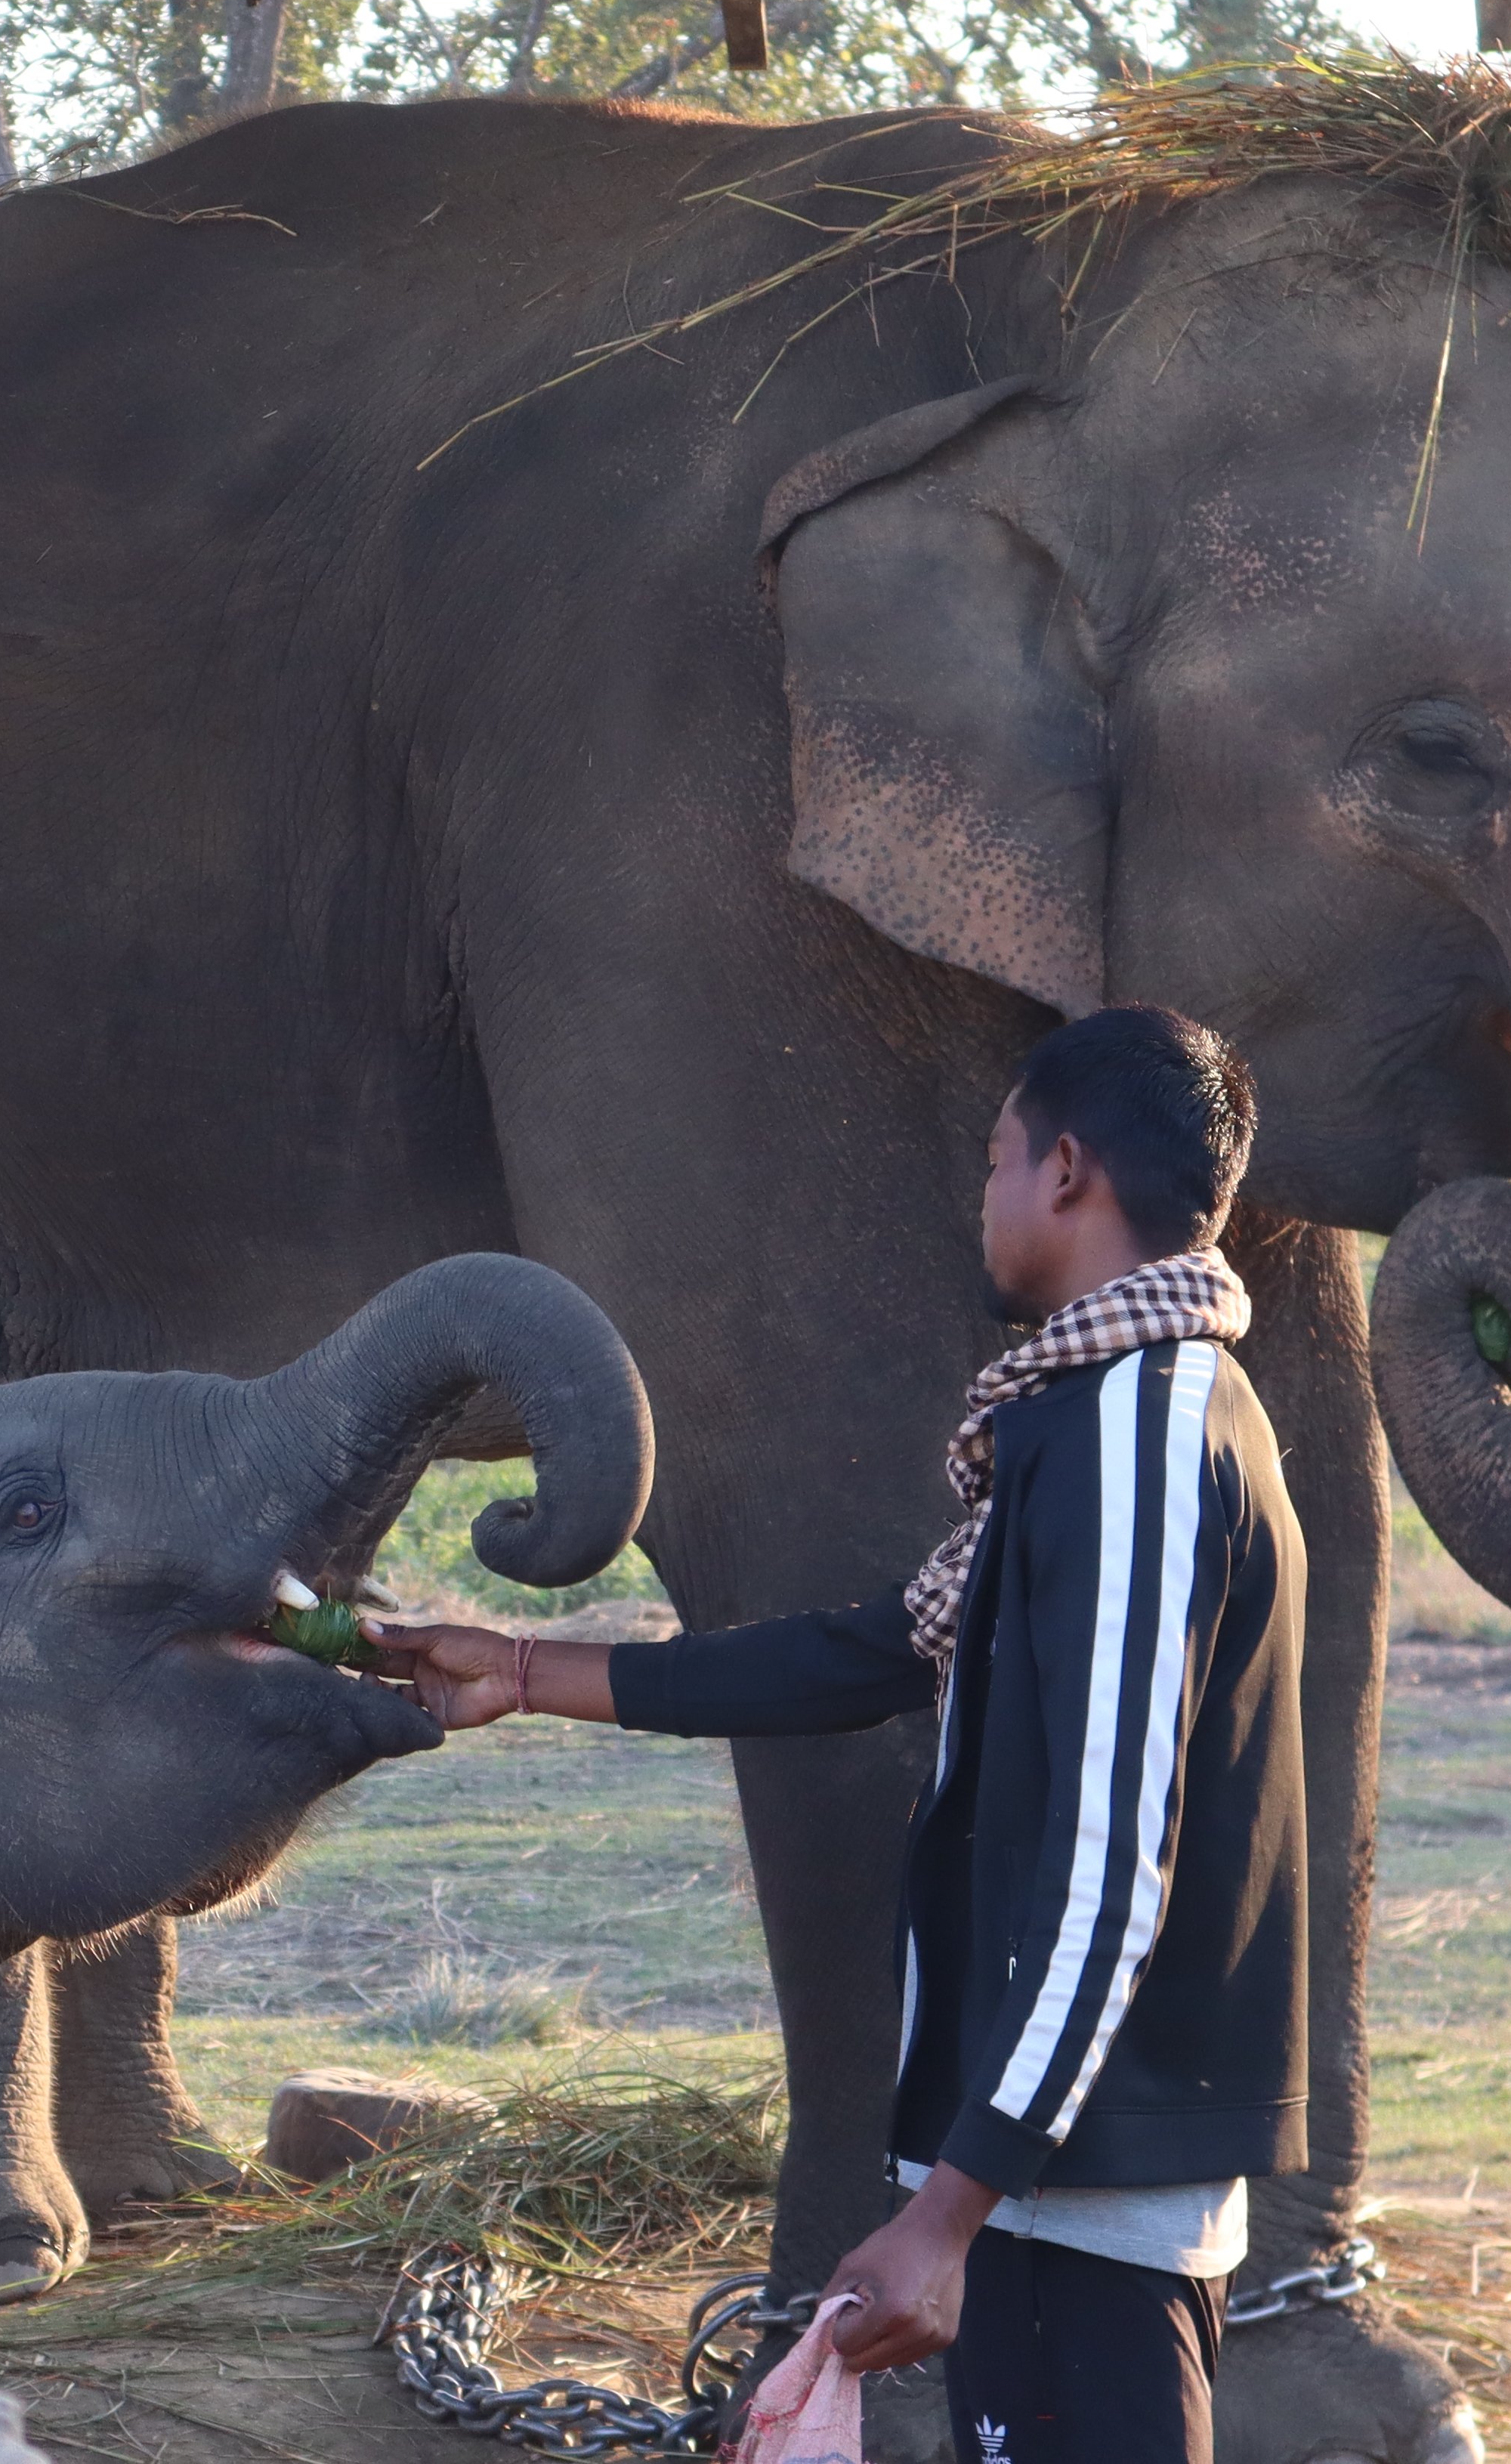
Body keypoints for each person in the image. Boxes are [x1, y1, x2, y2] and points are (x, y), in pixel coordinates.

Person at [366, 1005, 1306, 2464]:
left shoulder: (1138, 1436)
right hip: (1051, 2171)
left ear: (1064, 1172)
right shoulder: (1088, 1424)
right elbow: (865, 1656)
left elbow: (1114, 1867)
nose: (982, 1200)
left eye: (996, 1160)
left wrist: (948, 2214)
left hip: (1076, 2184)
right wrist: (523, 1671)